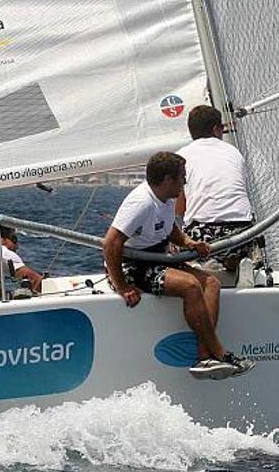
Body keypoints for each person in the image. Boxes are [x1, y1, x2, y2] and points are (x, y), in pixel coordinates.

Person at [103, 152, 255, 380]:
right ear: (167, 180)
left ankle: (205, 357)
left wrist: (189, 242)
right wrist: (122, 286)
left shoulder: (167, 198)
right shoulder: (140, 203)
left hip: (157, 260)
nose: (185, 181)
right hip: (133, 267)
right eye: (182, 177)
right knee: (191, 286)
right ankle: (220, 353)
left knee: (211, 283)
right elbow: (111, 244)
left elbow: (168, 228)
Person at [176, 105, 259, 275]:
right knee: (241, 242)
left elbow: (180, 209)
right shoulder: (234, 152)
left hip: (205, 233)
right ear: (215, 129)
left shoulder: (181, 156)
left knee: (180, 239)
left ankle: (203, 266)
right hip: (243, 231)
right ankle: (237, 263)